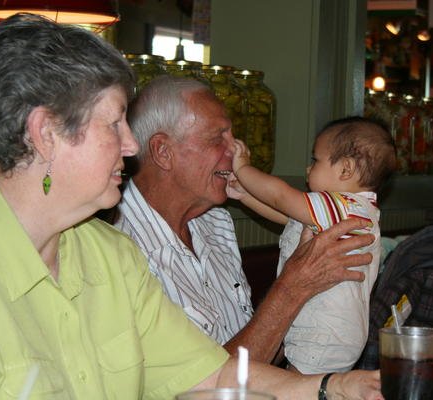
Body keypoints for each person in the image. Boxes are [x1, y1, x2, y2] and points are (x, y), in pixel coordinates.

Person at [0, 13, 384, 399]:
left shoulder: (111, 255)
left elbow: (210, 375)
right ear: (46, 133)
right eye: (114, 124)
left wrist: (337, 386)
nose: (131, 145)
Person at [114, 75, 376, 366]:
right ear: (164, 152)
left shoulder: (216, 223)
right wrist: (292, 288)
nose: (236, 149)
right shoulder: (116, 248)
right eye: (218, 138)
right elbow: (198, 383)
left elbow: (257, 348)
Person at [227, 117, 397, 374]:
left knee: (297, 387)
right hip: (325, 331)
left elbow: (281, 197)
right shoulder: (338, 209)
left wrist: (243, 168)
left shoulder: (348, 206)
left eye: (316, 160)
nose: (308, 168)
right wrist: (244, 195)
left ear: (346, 169)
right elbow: (286, 215)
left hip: (325, 334)